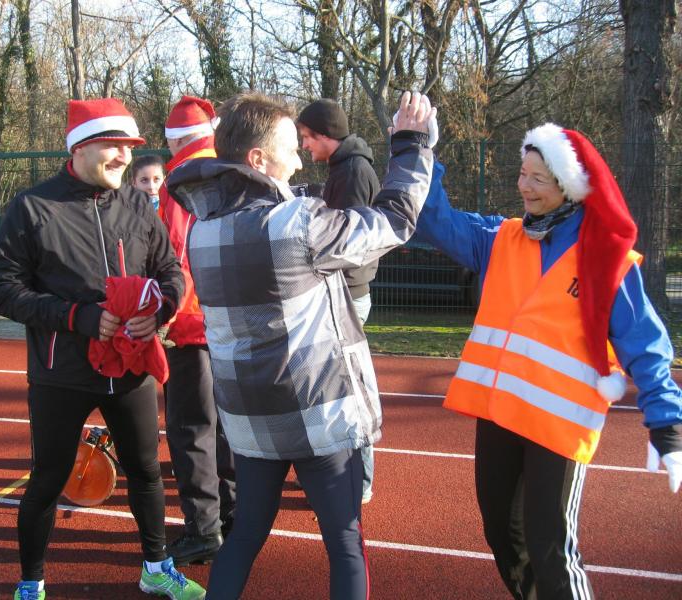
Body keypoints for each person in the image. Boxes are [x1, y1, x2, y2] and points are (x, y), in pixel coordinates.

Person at [165, 90, 437, 600]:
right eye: (290, 149)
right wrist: (411, 147)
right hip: (318, 412)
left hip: (249, 417)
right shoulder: (297, 225)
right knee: (345, 543)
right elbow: (394, 221)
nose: (298, 160)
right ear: (257, 159)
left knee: (245, 536)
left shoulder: (202, 230)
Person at [415, 122, 682, 599]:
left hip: (559, 426)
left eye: (538, 178)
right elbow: (435, 220)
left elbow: (644, 343)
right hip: (500, 417)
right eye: (522, 173)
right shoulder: (501, 237)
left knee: (551, 549)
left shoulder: (606, 260)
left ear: (569, 186)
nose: (525, 186)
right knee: (503, 535)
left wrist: (667, 424)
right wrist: (420, 151)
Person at [0, 97, 205, 600]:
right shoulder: (32, 208)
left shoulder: (137, 205)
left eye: (130, 146)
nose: (125, 156)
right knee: (48, 478)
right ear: (80, 148)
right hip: (60, 372)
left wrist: (162, 307)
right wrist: (77, 317)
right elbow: (3, 290)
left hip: (130, 366)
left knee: (145, 472)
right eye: (113, 145)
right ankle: (31, 582)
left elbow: (169, 270)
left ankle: (155, 568)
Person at [158, 95, 236, 566]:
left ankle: (204, 530)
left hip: (190, 326)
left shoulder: (179, 182)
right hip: (231, 323)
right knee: (227, 427)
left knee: (191, 431)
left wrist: (165, 315)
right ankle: (232, 513)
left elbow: (176, 256)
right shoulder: (233, 172)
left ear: (175, 141)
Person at [297, 98, 381, 504]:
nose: (304, 146)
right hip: (344, 289)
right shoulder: (343, 169)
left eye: (306, 138)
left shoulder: (353, 172)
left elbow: (349, 240)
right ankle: (346, 476)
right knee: (339, 388)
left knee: (349, 391)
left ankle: (358, 481)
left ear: (325, 135)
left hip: (347, 292)